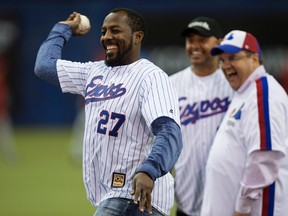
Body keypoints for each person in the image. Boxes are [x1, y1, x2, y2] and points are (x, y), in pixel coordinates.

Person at [34, 8, 183, 216]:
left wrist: (149, 169)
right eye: (104, 32)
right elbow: (44, 66)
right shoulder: (93, 71)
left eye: (115, 30)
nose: (107, 37)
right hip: (114, 195)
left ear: (137, 36)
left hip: (135, 194)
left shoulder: (151, 77)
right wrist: (62, 29)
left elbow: (169, 131)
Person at [201, 30, 288, 216]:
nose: (226, 65)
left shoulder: (262, 91)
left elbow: (264, 156)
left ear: (254, 59)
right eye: (222, 60)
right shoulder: (245, 92)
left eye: (233, 57)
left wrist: (242, 208)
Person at [169, 17, 234, 216]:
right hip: (185, 200)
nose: (195, 46)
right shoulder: (171, 85)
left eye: (202, 40)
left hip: (229, 201)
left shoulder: (234, 83)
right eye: (191, 40)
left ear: (220, 43)